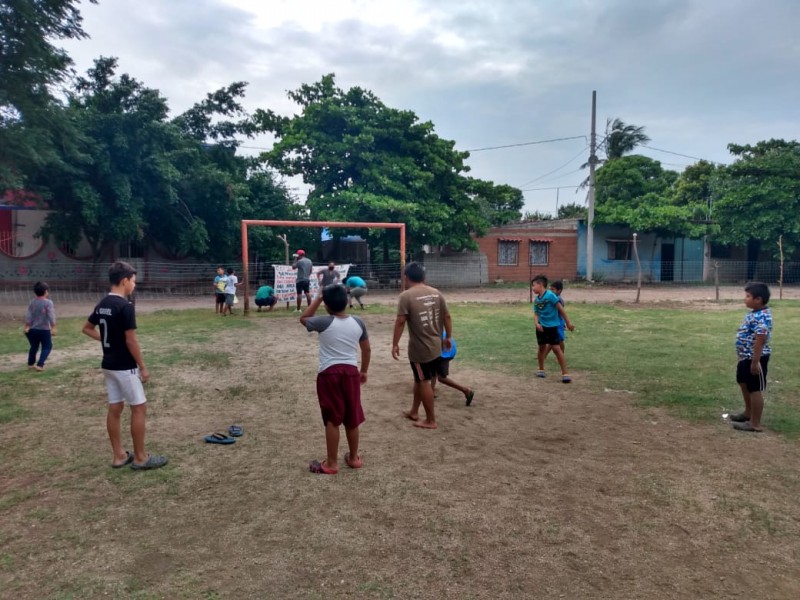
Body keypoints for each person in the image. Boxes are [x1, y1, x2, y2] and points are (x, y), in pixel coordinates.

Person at [81, 261, 168, 470]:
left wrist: (106, 340)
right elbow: (131, 340)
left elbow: (86, 328)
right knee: (139, 407)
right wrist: (143, 366)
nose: (134, 285)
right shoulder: (125, 307)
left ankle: (119, 455)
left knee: (115, 407)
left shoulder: (102, 304)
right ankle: (140, 457)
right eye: (133, 281)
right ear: (124, 281)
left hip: (108, 365)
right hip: (124, 367)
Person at [301, 283, 371, 474]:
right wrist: (363, 371)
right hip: (350, 373)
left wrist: (318, 298)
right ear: (346, 301)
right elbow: (366, 348)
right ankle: (354, 458)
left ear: (327, 305)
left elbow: (304, 318)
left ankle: (331, 463)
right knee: (352, 416)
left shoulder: (323, 322)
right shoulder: (358, 322)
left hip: (329, 374)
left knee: (332, 418)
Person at [392, 262, 451, 429]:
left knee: (423, 380)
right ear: (424, 277)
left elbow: (400, 321)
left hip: (420, 349)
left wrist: (395, 344)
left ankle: (431, 420)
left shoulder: (406, 296)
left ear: (406, 277)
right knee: (420, 379)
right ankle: (414, 411)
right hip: (435, 346)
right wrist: (448, 337)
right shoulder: (436, 293)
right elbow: (447, 317)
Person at [730, 282, 772, 433]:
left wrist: (755, 362)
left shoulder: (763, 316)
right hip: (745, 357)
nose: (745, 299)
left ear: (758, 299)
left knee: (755, 388)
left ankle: (755, 423)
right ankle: (748, 413)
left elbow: (760, 340)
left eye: (748, 296)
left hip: (755, 358)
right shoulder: (753, 313)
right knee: (743, 382)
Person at [531, 274, 574, 383]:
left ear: (540, 285)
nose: (532, 288)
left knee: (556, 348)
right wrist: (536, 323)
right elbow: (536, 313)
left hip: (552, 327)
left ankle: (565, 373)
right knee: (541, 348)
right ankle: (541, 370)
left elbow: (560, 309)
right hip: (541, 327)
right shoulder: (537, 299)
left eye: (533, 285)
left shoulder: (550, 295)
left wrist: (568, 322)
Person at [431, 332, 475, 406]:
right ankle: (431, 391)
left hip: (446, 352)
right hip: (447, 349)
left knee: (441, 378)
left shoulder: (427, 331)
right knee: (433, 368)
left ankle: (466, 390)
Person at [24, 281, 57, 371]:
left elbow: (29, 315)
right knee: (47, 346)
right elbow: (51, 315)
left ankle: (30, 364)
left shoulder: (32, 302)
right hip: (44, 329)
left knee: (34, 346)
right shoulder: (48, 303)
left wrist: (27, 326)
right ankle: (40, 365)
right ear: (46, 291)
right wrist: (53, 327)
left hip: (33, 329)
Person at [544, 280, 567, 359]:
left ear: (559, 290)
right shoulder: (551, 298)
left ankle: (561, 355)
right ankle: (543, 356)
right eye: (550, 289)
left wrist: (564, 323)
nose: (550, 291)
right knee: (551, 341)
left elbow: (561, 312)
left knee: (560, 341)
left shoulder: (558, 300)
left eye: (553, 289)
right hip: (552, 323)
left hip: (558, 323)